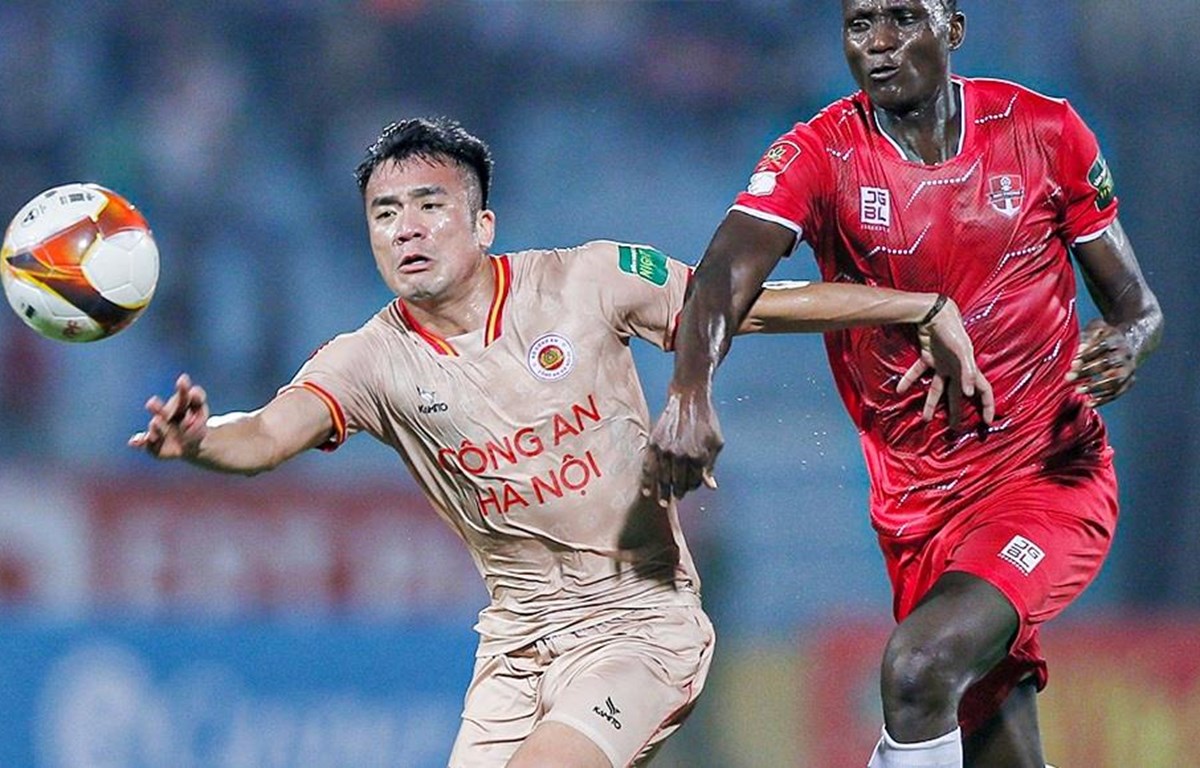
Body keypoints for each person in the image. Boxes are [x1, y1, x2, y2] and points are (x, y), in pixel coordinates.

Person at [128, 116, 983, 767]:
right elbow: (267, 434)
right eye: (385, 214)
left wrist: (915, 306)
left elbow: (742, 306)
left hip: (640, 624)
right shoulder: (368, 360)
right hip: (515, 646)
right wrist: (200, 440)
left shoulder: (588, 281)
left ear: (484, 225)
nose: (406, 229)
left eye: (430, 206)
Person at [643, 2, 1164, 767]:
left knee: (917, 669)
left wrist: (1129, 341)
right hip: (918, 514)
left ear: (952, 27)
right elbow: (722, 273)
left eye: (903, 18)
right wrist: (689, 394)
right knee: (984, 735)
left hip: (1047, 480)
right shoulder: (822, 154)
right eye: (860, 24)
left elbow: (1137, 307)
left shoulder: (1044, 132)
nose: (880, 43)